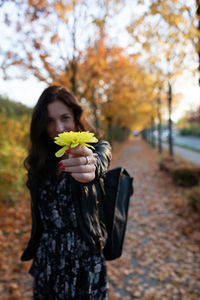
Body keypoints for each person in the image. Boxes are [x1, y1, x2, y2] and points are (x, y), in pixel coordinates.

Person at [20, 85, 112, 300]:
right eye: (50, 121)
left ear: (76, 118)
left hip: (84, 262)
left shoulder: (92, 149)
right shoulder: (40, 161)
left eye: (65, 118)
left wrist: (91, 166)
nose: (58, 128)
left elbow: (100, 156)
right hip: (47, 260)